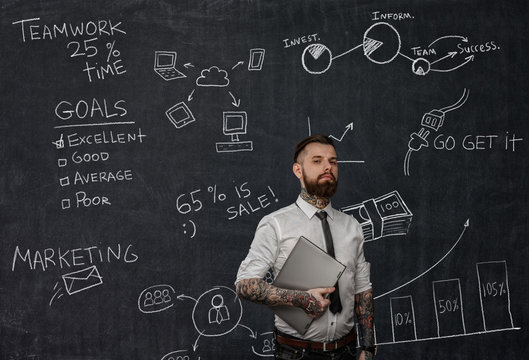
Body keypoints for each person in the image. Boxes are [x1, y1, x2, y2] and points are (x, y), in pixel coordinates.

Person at [235, 135, 376, 359]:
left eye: (333, 161)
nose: (328, 166)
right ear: (298, 170)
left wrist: (368, 348)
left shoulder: (353, 227)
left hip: (348, 351)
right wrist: (300, 299)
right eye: (317, 160)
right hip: (297, 352)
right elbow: (244, 285)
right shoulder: (276, 224)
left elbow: (362, 290)